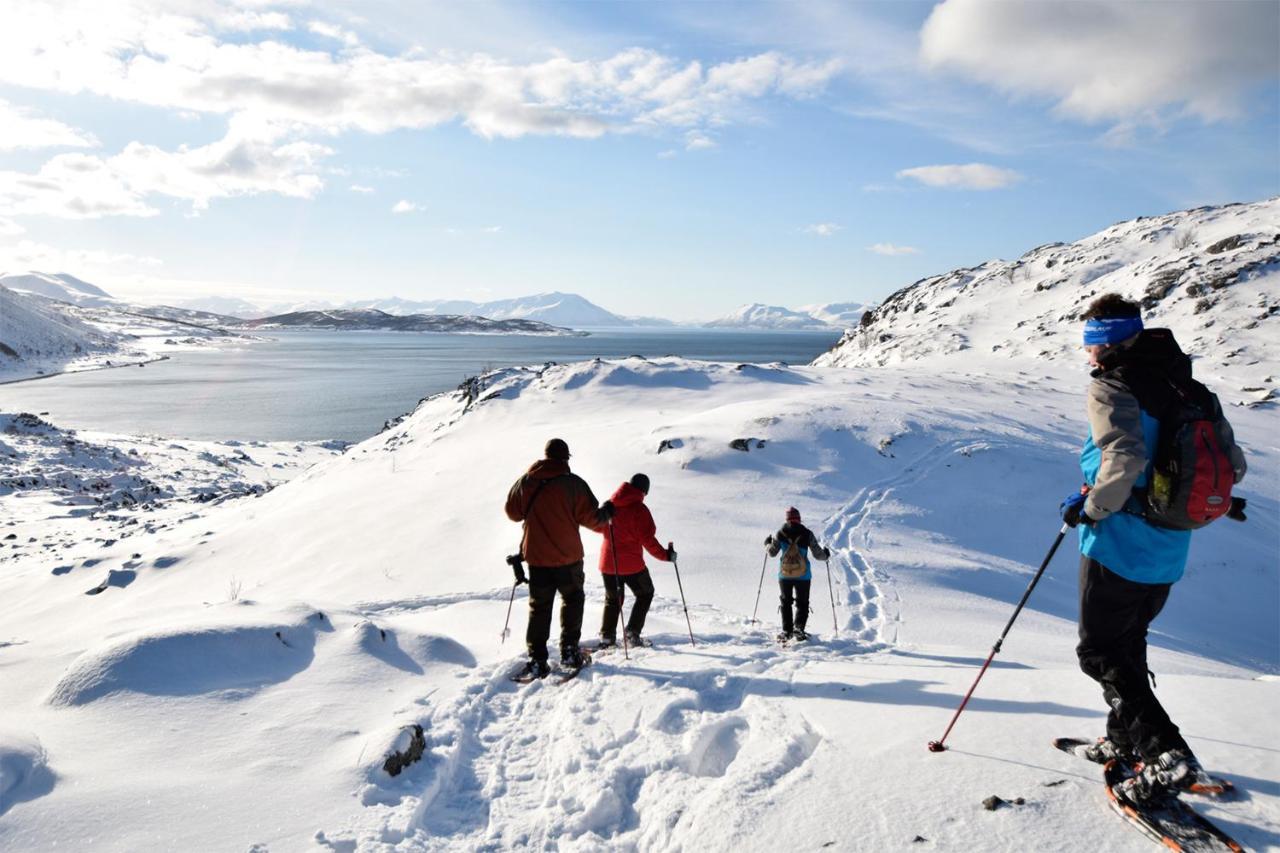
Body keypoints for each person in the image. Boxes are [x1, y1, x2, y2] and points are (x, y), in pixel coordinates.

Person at [1060, 294, 1246, 805]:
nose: (1086, 353)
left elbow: (1123, 459)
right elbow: (1236, 464)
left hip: (1119, 543)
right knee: (1128, 644)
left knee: (1099, 651)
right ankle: (1122, 740)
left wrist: (1092, 507)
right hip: (1171, 543)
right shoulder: (1190, 388)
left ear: (1103, 343)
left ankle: (1166, 757)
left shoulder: (1113, 386)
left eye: (1088, 342)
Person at [505, 438, 614, 679]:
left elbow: (512, 513)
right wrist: (607, 512)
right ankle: (569, 652)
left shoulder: (527, 481)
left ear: (545, 456)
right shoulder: (573, 485)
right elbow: (592, 519)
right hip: (568, 558)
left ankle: (537, 659)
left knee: (539, 608)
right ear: (565, 458)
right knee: (573, 601)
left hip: (537, 558)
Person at [593, 473, 675, 648]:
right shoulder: (640, 510)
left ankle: (607, 637)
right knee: (645, 593)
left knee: (613, 599)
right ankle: (632, 633)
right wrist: (666, 555)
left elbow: (597, 527)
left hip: (608, 564)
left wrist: (602, 512)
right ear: (643, 491)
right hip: (632, 566)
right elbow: (649, 541)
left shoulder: (610, 505)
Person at [764, 507, 830, 641]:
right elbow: (818, 555)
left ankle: (786, 631)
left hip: (785, 575)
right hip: (803, 575)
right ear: (799, 518)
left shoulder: (780, 533)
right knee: (802, 603)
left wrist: (767, 544)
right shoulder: (807, 534)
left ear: (787, 519)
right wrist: (826, 555)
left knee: (785, 602)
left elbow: (771, 553)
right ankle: (799, 629)